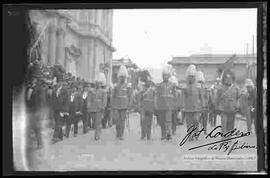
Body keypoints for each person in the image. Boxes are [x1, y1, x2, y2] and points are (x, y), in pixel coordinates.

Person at [181, 64, 204, 141]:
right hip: (187, 107)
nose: (191, 78)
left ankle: (196, 133)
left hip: (196, 107)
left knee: (196, 120)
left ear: (195, 77)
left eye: (192, 76)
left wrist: (203, 105)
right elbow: (183, 98)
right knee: (188, 122)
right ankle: (190, 135)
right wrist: (182, 106)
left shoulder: (198, 86)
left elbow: (201, 97)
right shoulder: (185, 87)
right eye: (189, 77)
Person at [215, 69, 240, 136]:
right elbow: (217, 98)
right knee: (224, 124)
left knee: (231, 124)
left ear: (232, 78)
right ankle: (224, 136)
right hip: (223, 108)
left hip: (232, 108)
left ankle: (229, 136)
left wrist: (237, 104)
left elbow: (238, 98)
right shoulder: (220, 88)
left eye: (230, 78)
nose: (228, 80)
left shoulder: (236, 88)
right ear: (224, 79)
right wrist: (216, 106)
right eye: (226, 78)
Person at [111, 65, 132, 140]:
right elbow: (113, 96)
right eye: (121, 77)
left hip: (124, 105)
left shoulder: (128, 86)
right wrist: (112, 105)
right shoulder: (116, 86)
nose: (122, 78)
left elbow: (130, 96)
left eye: (123, 77)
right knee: (117, 120)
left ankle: (121, 134)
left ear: (125, 77)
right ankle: (118, 133)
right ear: (119, 77)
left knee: (122, 120)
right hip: (116, 105)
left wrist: (129, 105)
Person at [155, 66, 176, 140]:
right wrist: (156, 105)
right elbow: (157, 96)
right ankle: (163, 134)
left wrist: (175, 105)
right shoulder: (159, 85)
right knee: (162, 121)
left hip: (169, 106)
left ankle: (169, 133)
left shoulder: (172, 85)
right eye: (164, 75)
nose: (165, 77)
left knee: (168, 121)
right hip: (161, 106)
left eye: (166, 75)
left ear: (169, 76)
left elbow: (174, 96)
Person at [86, 73, 107, 140]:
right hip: (92, 108)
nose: (98, 84)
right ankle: (98, 131)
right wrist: (88, 106)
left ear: (101, 84)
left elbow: (104, 100)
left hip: (99, 108)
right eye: (97, 83)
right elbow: (89, 99)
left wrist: (103, 107)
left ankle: (97, 135)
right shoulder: (91, 91)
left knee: (98, 122)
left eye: (99, 83)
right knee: (94, 122)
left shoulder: (103, 92)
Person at [138, 76, 156, 140]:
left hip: (150, 108)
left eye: (149, 81)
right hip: (143, 108)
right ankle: (143, 135)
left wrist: (154, 107)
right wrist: (139, 107)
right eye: (147, 81)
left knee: (149, 122)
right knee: (143, 122)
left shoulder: (153, 90)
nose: (148, 83)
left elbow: (155, 99)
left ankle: (148, 135)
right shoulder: (142, 90)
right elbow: (139, 99)